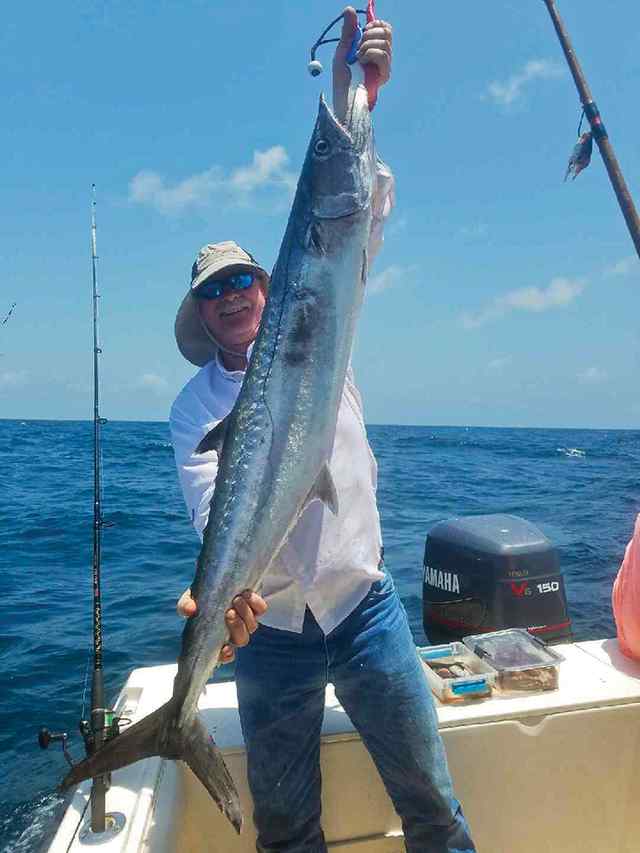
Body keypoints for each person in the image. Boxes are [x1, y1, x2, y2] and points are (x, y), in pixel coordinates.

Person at [169, 9, 477, 853]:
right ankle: (177, 723)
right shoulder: (194, 409)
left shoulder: (323, 318)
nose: (231, 294)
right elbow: (211, 515)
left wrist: (358, 90)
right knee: (288, 831)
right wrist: (224, 594)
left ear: (272, 289)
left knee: (436, 808)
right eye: (214, 290)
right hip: (267, 635)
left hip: (362, 605)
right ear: (202, 312)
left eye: (242, 279)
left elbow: (350, 215)